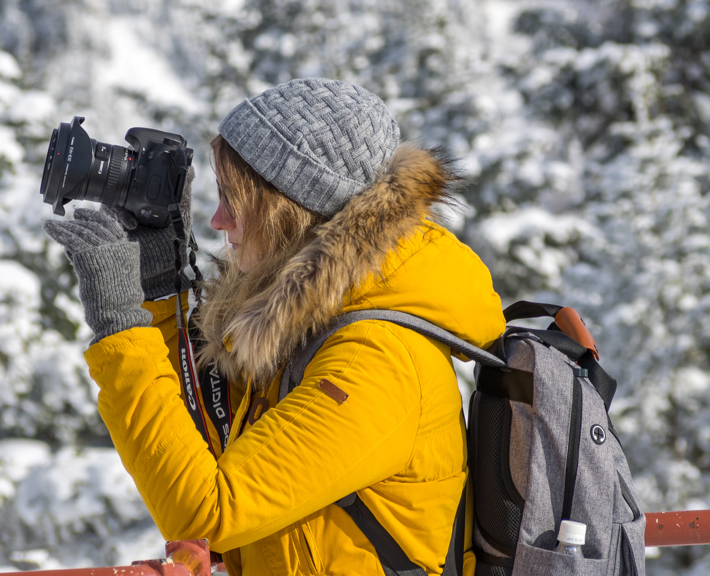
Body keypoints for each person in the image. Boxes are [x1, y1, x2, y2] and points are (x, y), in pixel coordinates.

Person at [44, 78, 505, 576]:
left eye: (234, 200)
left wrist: (120, 327)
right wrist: (158, 292)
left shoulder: (375, 361)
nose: (217, 221)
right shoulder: (309, 320)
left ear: (292, 211)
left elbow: (208, 511)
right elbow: (204, 437)